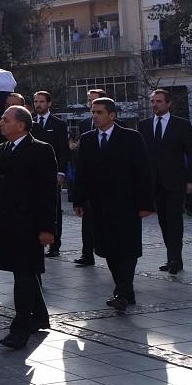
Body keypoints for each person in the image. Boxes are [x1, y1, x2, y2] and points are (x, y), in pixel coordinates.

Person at [0, 104, 57, 349]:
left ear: (21, 125)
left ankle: (20, 329)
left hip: (29, 226)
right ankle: (40, 316)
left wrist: (48, 228)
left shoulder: (41, 150)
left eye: (5, 119)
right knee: (22, 271)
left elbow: (48, 194)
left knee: (23, 275)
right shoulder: (1, 149)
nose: (0, 123)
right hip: (5, 224)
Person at [70, 98, 153, 311]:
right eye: (93, 112)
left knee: (127, 248)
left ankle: (121, 292)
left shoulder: (131, 137)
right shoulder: (88, 139)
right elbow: (82, 172)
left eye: (99, 112)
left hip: (127, 204)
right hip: (99, 205)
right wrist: (78, 199)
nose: (95, 116)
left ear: (112, 115)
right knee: (108, 249)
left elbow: (143, 172)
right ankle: (125, 290)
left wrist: (145, 203)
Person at [139, 88, 192, 274]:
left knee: (174, 221)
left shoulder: (181, 125)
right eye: (153, 101)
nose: (155, 105)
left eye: (159, 101)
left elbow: (191, 154)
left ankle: (175, 259)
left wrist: (191, 180)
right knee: (164, 221)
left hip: (175, 181)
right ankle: (171, 256)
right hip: (154, 182)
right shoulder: (145, 125)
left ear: (168, 103)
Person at [31, 91, 71, 259]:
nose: (38, 104)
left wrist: (61, 172)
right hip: (32, 174)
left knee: (54, 210)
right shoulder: (29, 122)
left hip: (52, 174)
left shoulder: (58, 124)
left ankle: (55, 244)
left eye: (41, 101)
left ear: (49, 103)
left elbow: (63, 150)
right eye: (35, 101)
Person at [73, 88, 108, 266]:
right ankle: (87, 254)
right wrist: (78, 196)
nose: (91, 105)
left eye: (95, 101)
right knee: (87, 222)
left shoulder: (121, 128)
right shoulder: (85, 126)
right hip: (90, 186)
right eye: (89, 101)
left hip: (110, 187)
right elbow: (82, 163)